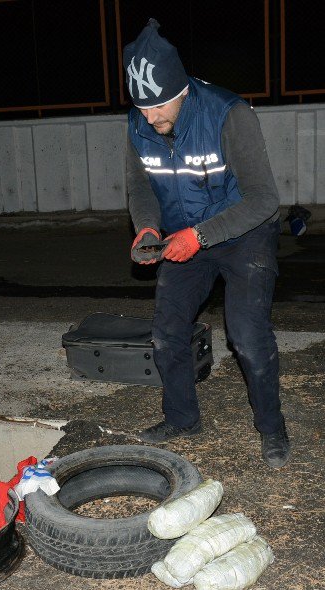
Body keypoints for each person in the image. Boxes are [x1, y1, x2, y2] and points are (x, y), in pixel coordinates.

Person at [122, 19, 290, 468]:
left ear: (182, 92)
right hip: (180, 236)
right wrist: (146, 227)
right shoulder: (139, 123)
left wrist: (199, 236)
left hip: (243, 233)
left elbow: (265, 199)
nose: (151, 120)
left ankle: (272, 429)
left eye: (159, 109)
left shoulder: (229, 114)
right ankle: (181, 418)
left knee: (248, 338)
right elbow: (140, 184)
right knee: (166, 334)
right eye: (143, 110)